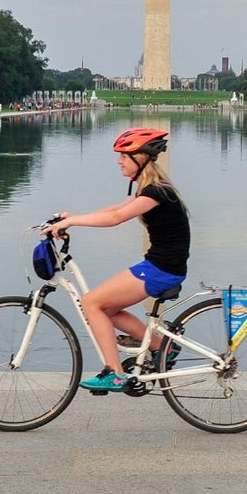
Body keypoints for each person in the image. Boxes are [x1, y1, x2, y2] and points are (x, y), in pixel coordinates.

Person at [46, 128, 190, 393]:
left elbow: (115, 219)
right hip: (161, 266)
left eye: (125, 155)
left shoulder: (155, 193)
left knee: (91, 302)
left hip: (160, 269)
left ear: (141, 158)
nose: (119, 161)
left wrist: (73, 222)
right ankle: (161, 347)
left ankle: (114, 373)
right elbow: (115, 209)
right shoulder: (149, 190)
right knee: (105, 308)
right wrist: (72, 218)